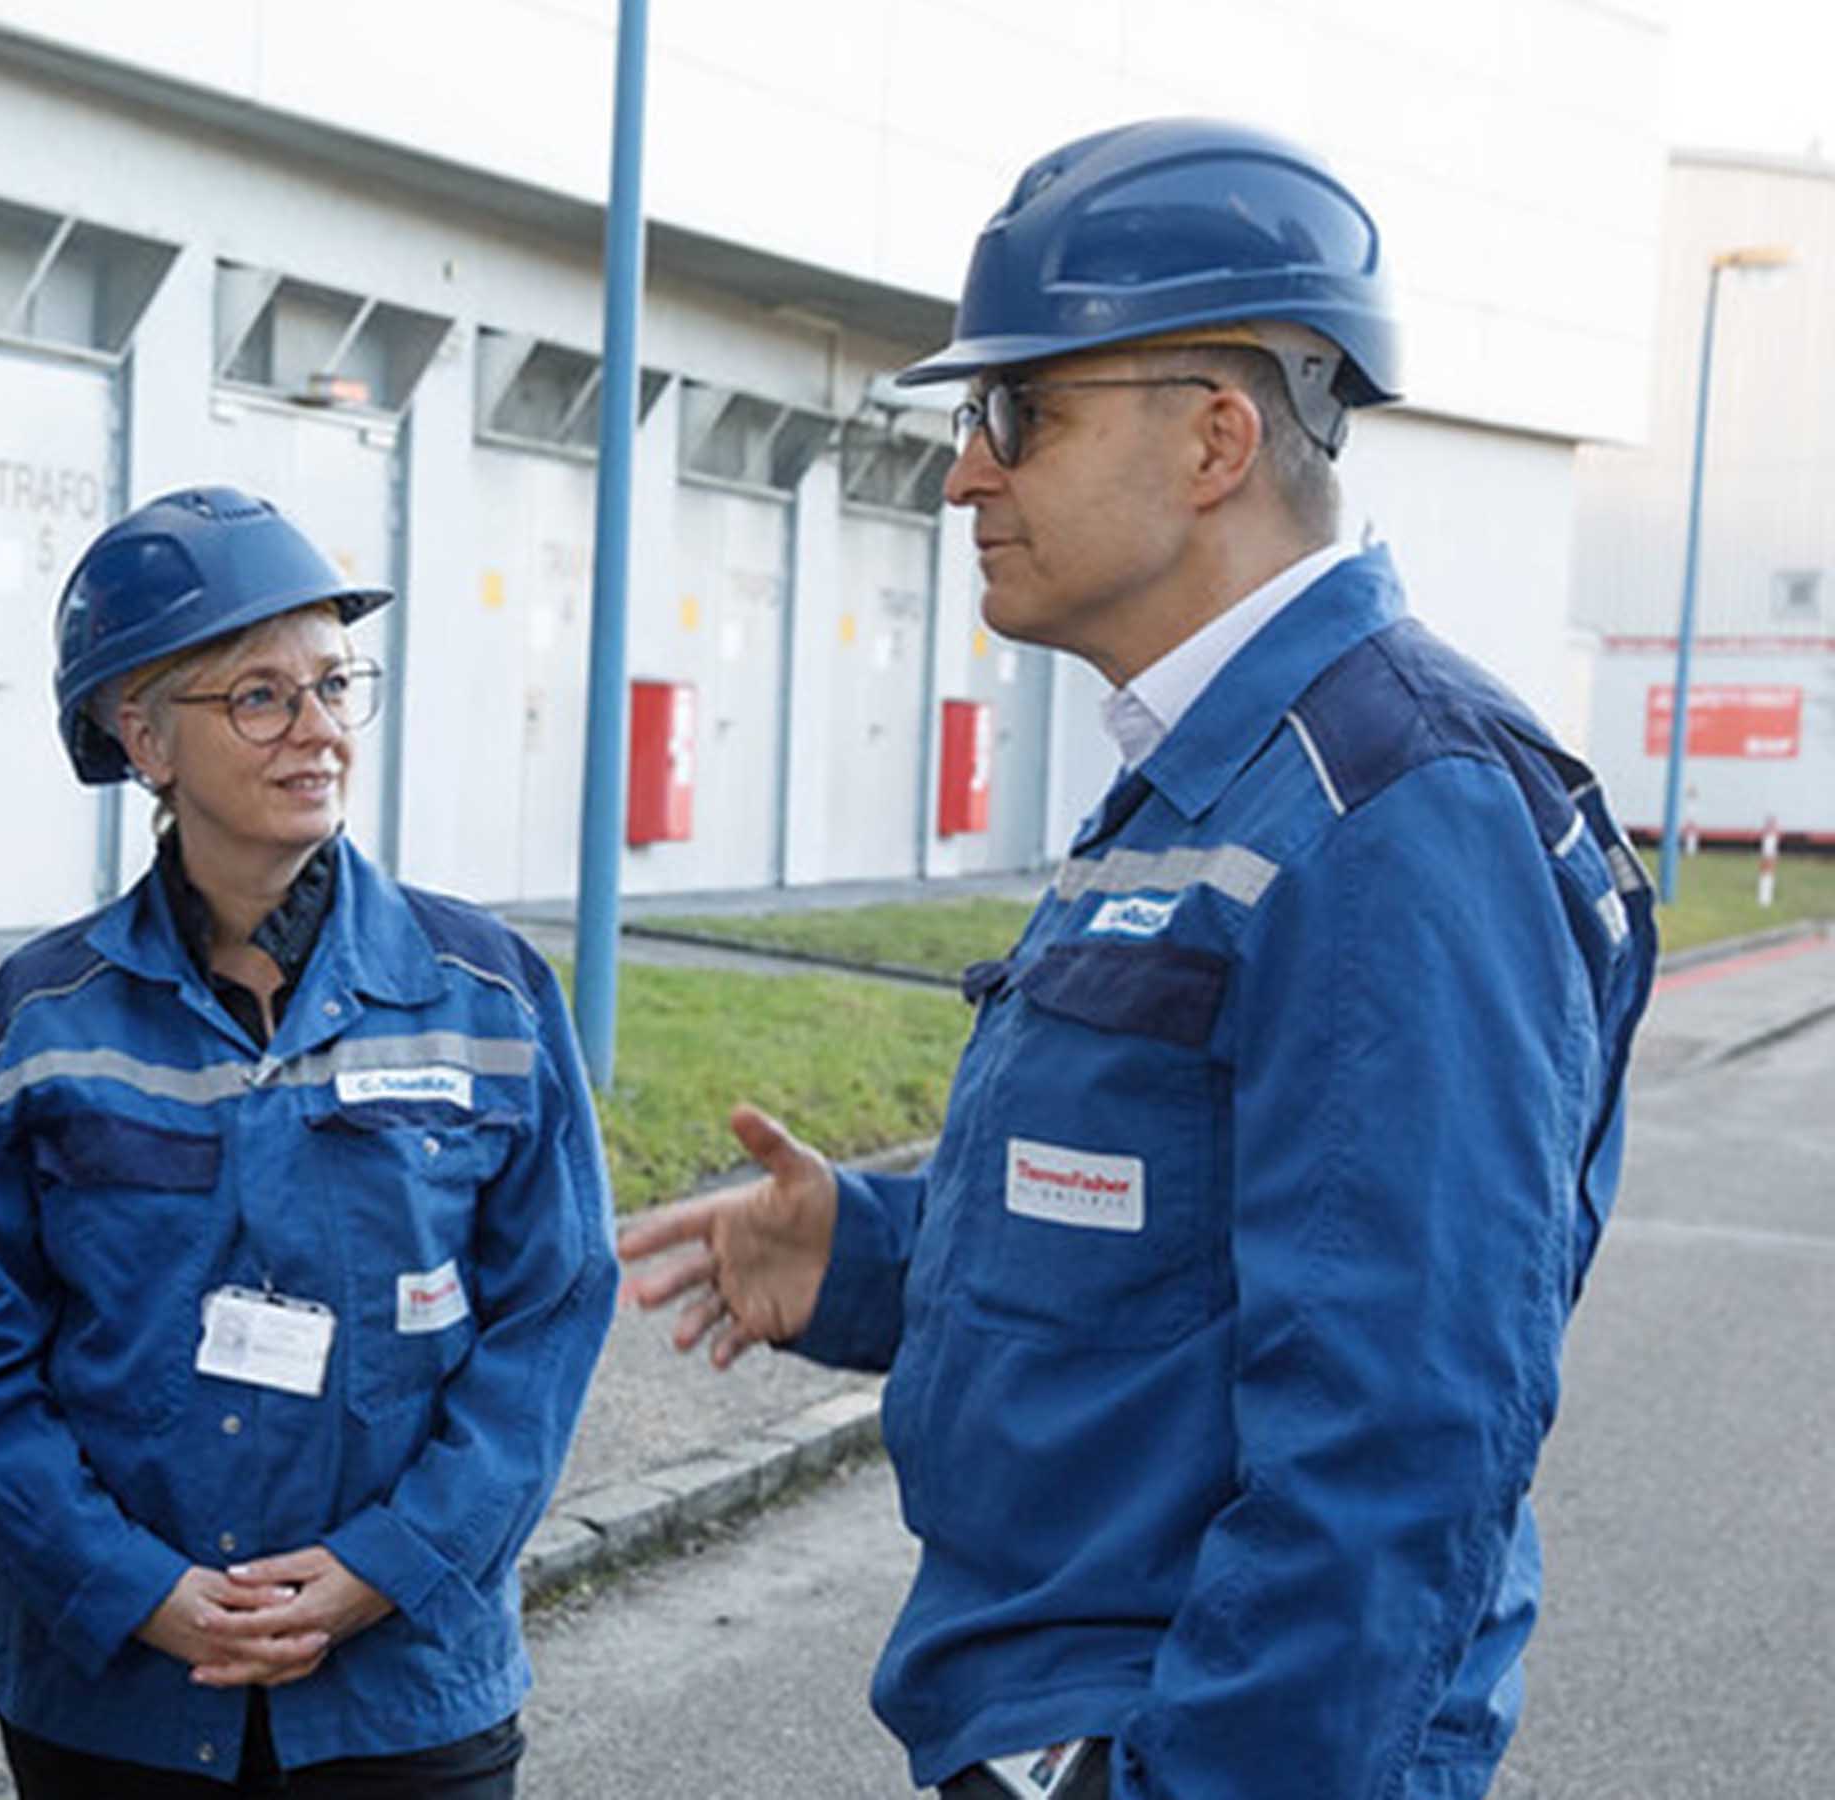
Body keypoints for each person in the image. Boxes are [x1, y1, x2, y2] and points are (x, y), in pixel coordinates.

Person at [621, 119, 1658, 1800]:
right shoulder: (1223, 775)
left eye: (1018, 412)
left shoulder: (1396, 809)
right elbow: (1163, 1227)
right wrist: (880, 1253)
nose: (968, 469)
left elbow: (1400, 1444)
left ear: (1216, 440)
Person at [0, 486, 615, 1796]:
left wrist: (384, 1570)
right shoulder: (40, 1023)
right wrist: (134, 1589)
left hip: (401, 1699)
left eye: (337, 687)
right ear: (144, 737)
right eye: (261, 697)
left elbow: (550, 1321)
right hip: (113, 1700)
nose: (320, 734)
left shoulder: (490, 997)